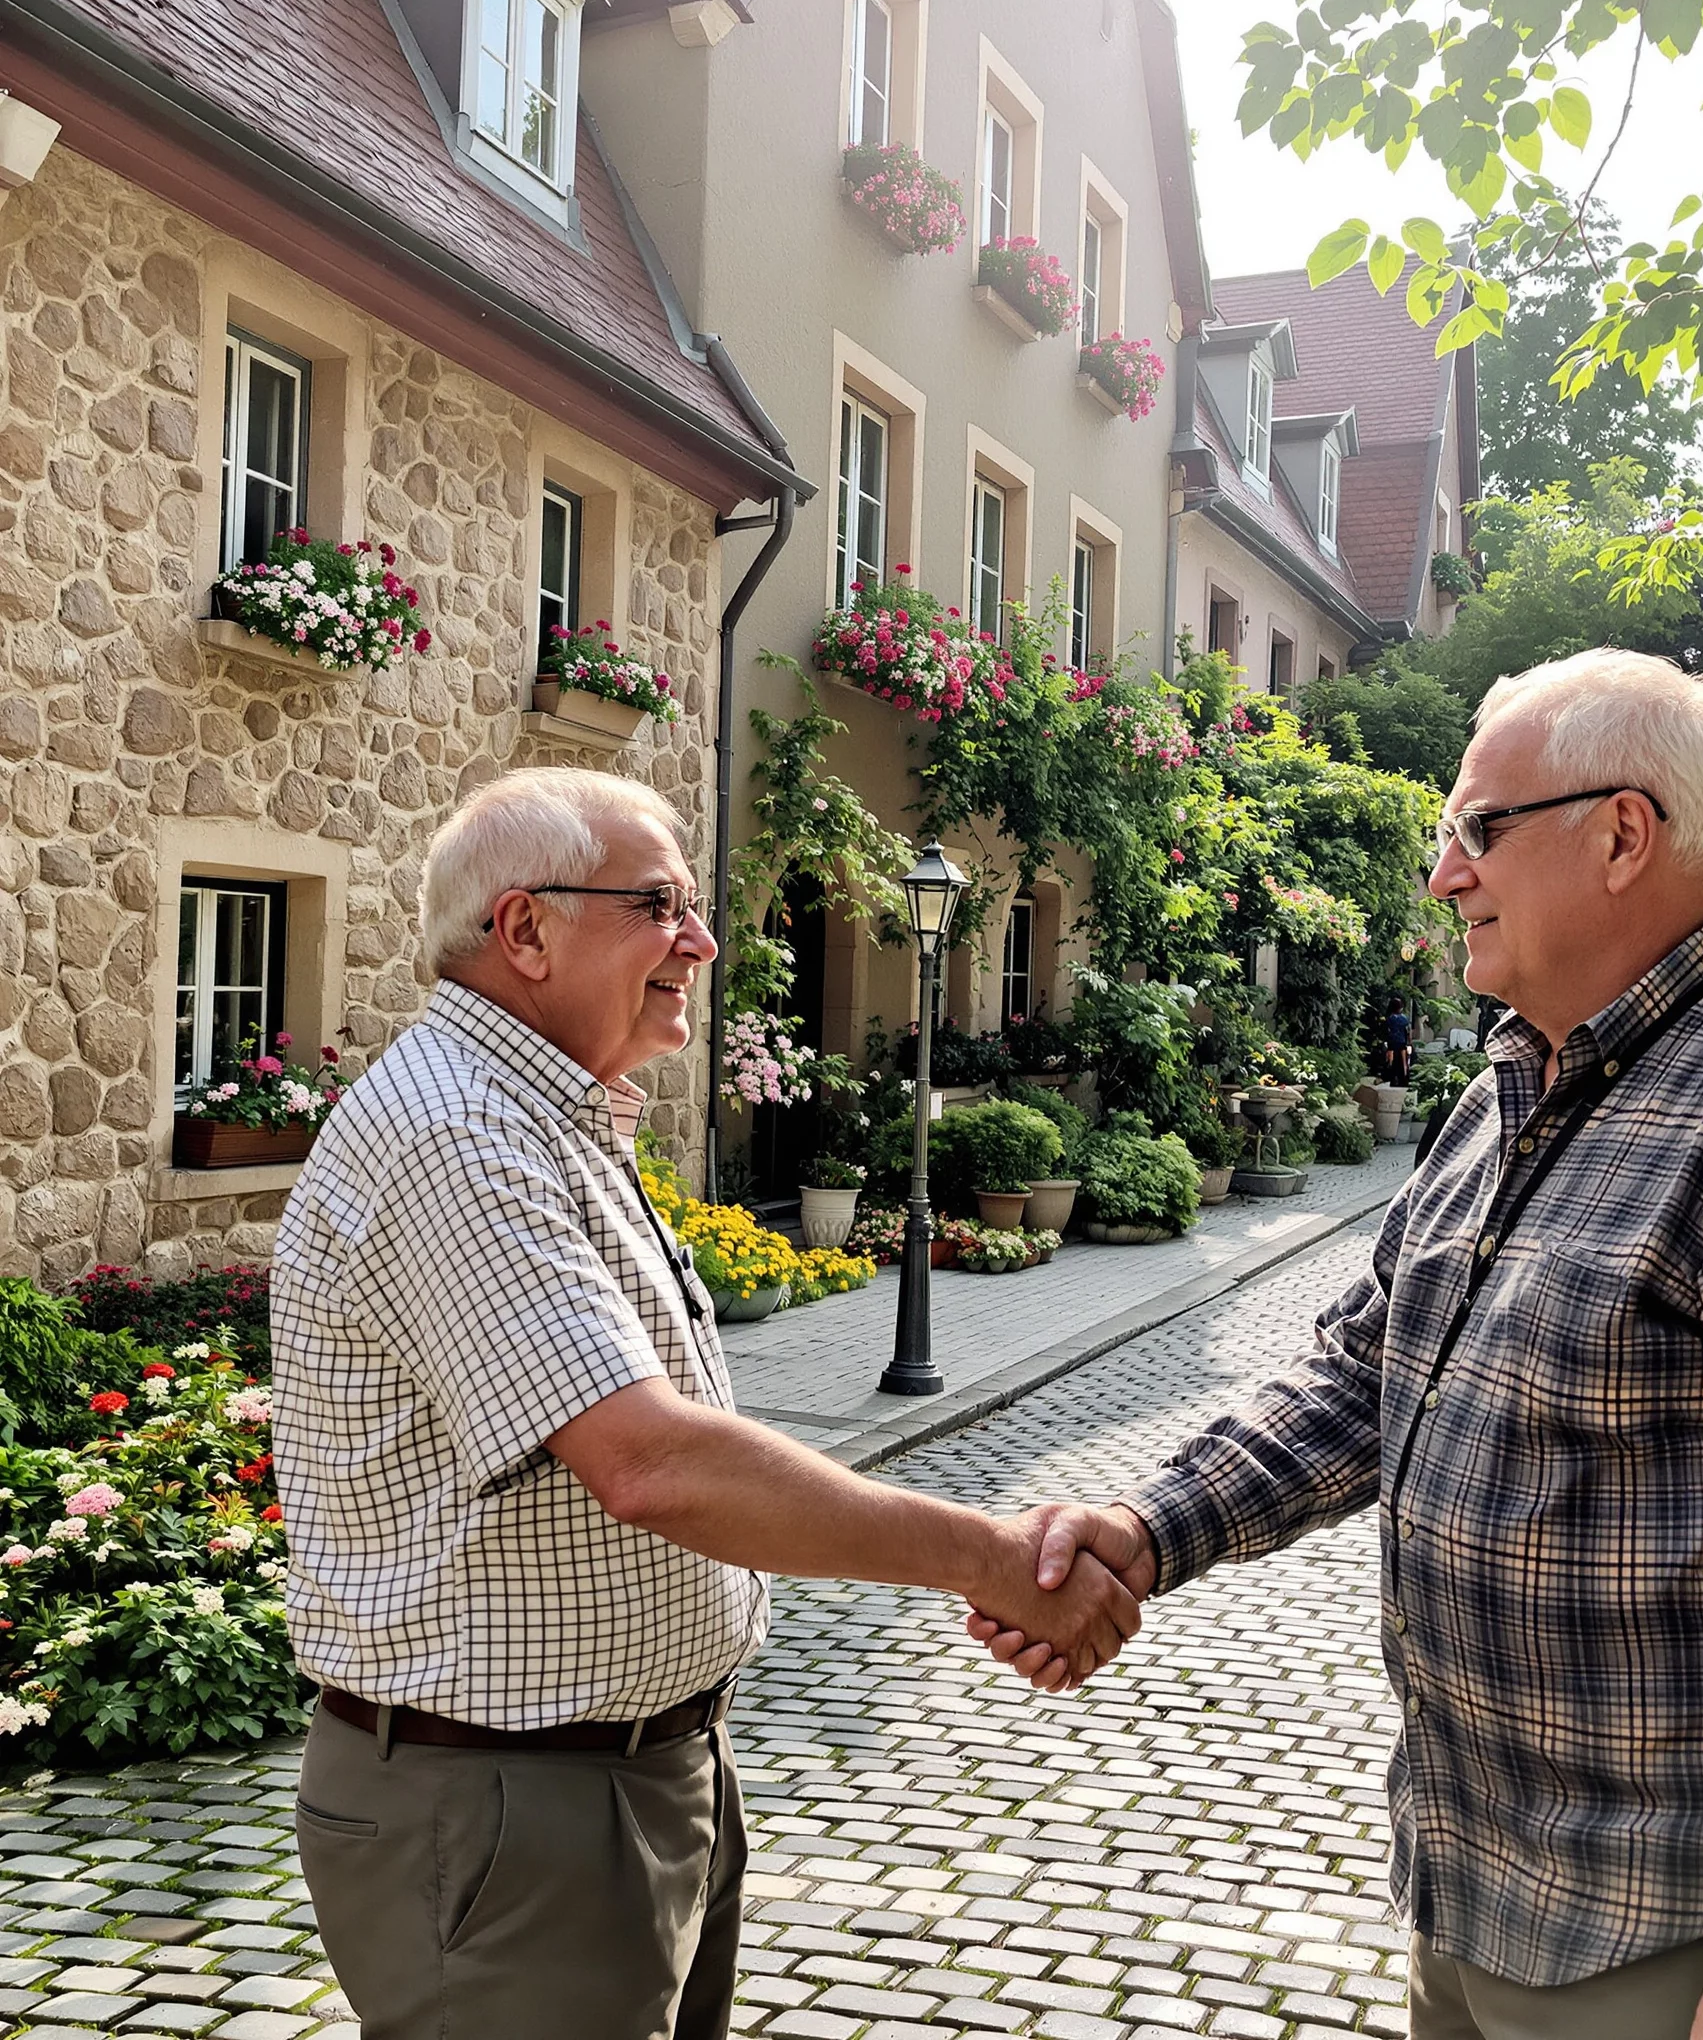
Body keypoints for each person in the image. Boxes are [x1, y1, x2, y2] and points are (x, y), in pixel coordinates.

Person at [976, 651, 1703, 2040]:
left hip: (1676, 1939)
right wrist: (1144, 1529)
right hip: (1476, 1897)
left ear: (1622, 834)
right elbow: (1362, 1381)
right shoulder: (1516, 1084)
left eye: (1475, 829)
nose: (1445, 874)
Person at [271, 770, 1138, 2040]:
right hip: (511, 1806)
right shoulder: (459, 1128)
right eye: (659, 903)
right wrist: (993, 1556)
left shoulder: (544, 1113)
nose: (702, 938)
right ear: (524, 930)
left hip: (621, 1778)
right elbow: (649, 1461)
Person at [1385, 996, 1413, 1083]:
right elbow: (1407, 1031)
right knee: (1404, 1060)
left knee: (1390, 1060)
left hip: (1391, 1043)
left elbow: (1387, 1030)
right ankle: (1404, 1076)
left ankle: (1391, 1075)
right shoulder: (1404, 1018)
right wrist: (1410, 1042)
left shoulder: (1389, 1018)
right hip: (1402, 1043)